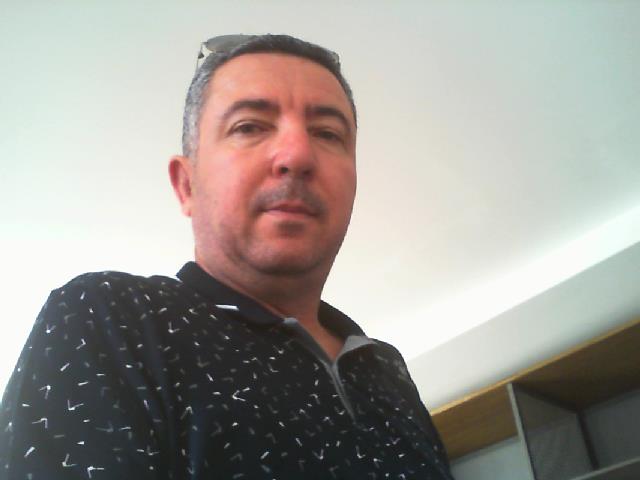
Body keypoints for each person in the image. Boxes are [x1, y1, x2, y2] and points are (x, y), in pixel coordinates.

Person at [0, 34, 453, 479]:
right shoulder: (109, 316)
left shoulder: (386, 369)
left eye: (327, 133)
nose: (298, 154)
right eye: (249, 127)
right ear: (187, 185)